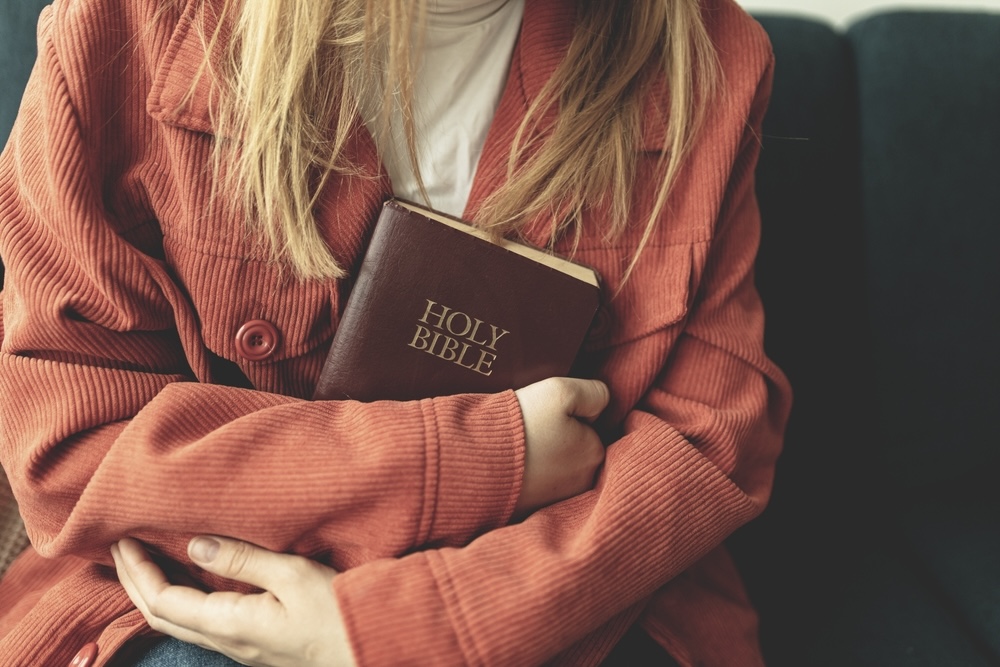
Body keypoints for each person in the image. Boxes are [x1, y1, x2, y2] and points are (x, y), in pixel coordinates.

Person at [0, 0, 791, 664]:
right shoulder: (127, 24)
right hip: (198, 599)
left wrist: (405, 628)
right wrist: (487, 458)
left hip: (559, 604)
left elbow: (708, 437)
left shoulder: (707, 57)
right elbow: (66, 444)